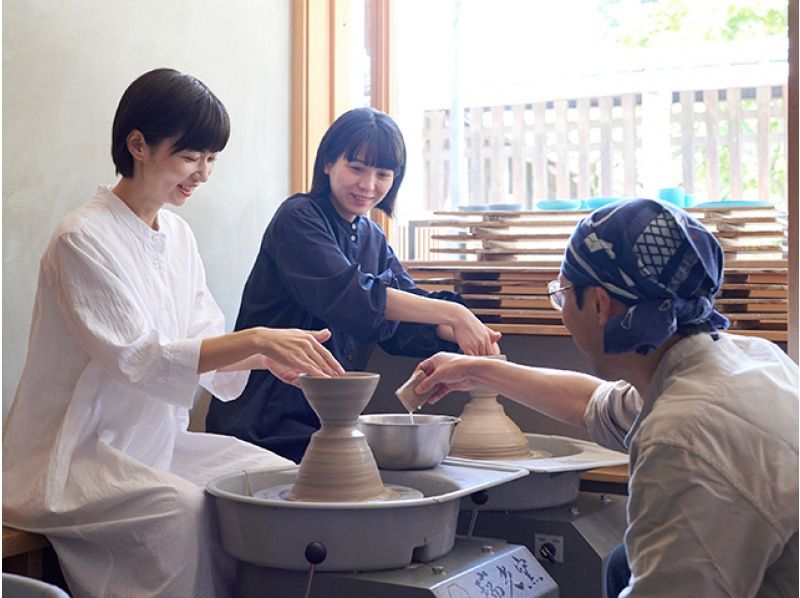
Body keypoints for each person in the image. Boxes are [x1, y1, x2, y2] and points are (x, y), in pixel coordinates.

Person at [2, 68, 344, 598]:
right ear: (137, 144)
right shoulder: (81, 238)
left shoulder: (178, 234)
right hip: (74, 457)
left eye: (212, 159)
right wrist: (255, 339)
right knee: (181, 511)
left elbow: (201, 336)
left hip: (154, 443)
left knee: (274, 477)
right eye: (190, 157)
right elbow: (140, 358)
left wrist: (263, 358)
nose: (203, 173)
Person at [413, 199, 798, 597]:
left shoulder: (683, 436)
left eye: (561, 294)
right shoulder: (744, 357)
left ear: (599, 304)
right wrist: (475, 370)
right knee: (622, 562)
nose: (561, 308)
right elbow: (594, 404)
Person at [206, 107, 501, 462]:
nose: (368, 185)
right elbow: (353, 299)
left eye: (383, 173)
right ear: (329, 162)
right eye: (357, 168)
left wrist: (468, 334)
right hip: (264, 420)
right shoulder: (298, 218)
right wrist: (453, 313)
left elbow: (401, 320)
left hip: (330, 419)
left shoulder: (372, 238)